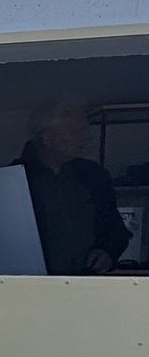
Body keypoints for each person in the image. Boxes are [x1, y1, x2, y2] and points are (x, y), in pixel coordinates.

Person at [13, 98, 130, 274]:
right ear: (48, 137)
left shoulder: (95, 175)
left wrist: (107, 252)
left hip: (88, 287)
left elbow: (116, 231)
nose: (87, 137)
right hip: (32, 289)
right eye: (76, 131)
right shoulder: (11, 182)